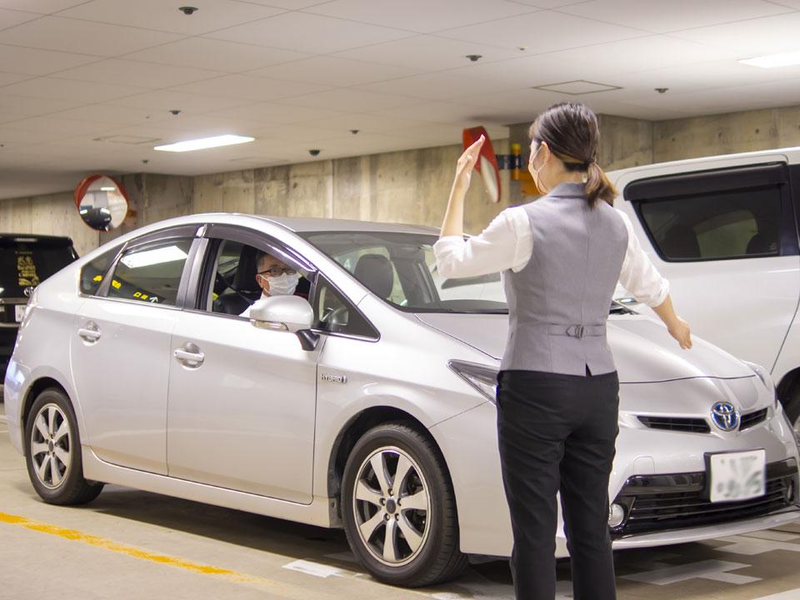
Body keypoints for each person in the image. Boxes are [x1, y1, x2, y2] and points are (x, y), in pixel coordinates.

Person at [434, 102, 692, 600]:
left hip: (536, 386)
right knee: (591, 529)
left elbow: (451, 262)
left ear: (544, 153)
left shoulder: (523, 222)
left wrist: (460, 188)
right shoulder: (615, 223)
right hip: (599, 390)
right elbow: (650, 286)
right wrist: (676, 324)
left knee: (534, 533)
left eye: (532, 149)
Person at [240, 251, 302, 318]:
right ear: (260, 280)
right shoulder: (250, 318)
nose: (284, 275)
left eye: (290, 269)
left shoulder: (304, 308)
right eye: (274, 271)